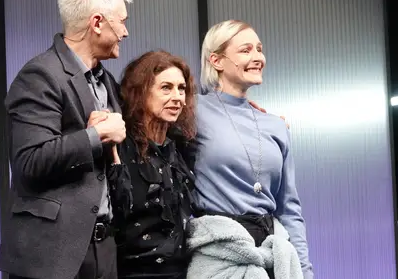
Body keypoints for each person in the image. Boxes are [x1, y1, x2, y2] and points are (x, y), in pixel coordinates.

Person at [0, 0, 134, 279]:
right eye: (122, 21)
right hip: (51, 255)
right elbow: (29, 161)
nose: (125, 32)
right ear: (97, 23)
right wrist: (96, 135)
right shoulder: (40, 75)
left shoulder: (107, 82)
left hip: (104, 249)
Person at [188, 19, 314, 279]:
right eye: (246, 50)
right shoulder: (191, 110)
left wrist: (304, 271)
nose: (258, 57)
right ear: (216, 60)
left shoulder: (275, 126)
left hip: (272, 256)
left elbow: (289, 209)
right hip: (218, 256)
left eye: (259, 49)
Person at [108, 51, 197, 279]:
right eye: (166, 88)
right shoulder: (120, 146)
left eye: (181, 88)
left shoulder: (180, 148)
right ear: (141, 92)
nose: (177, 97)